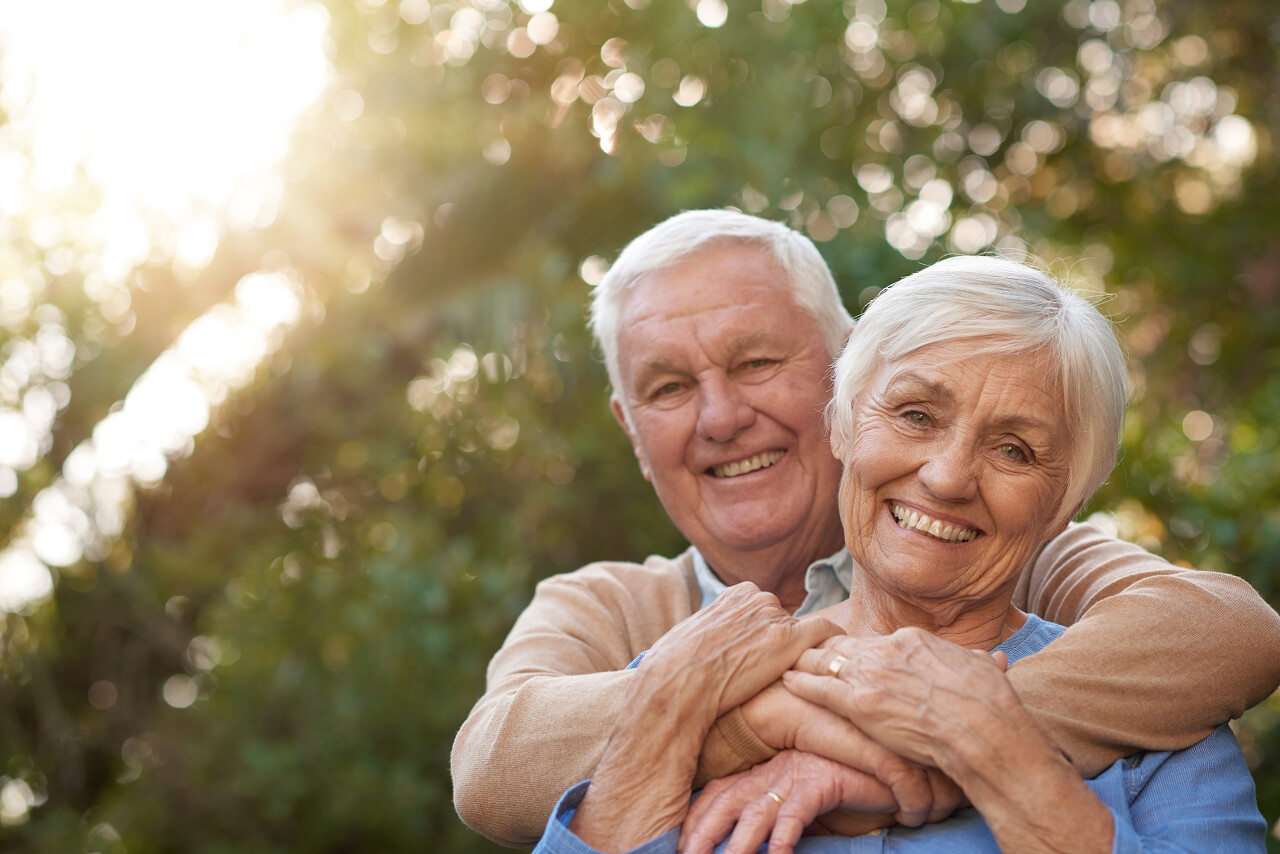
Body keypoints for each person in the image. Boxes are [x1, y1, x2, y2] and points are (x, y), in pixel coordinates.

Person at [450, 210, 1280, 847]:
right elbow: (491, 765)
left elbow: (1229, 629)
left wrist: (963, 735)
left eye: (756, 362)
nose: (721, 417)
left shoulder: (1036, 560)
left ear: (837, 376)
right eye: (667, 388)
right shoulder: (616, 619)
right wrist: (736, 719)